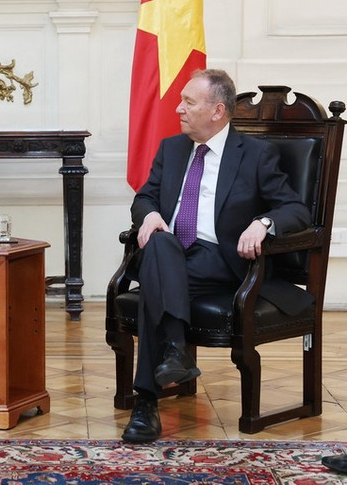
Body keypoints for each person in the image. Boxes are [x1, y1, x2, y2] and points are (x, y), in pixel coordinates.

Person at [121, 68, 311, 443]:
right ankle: (175, 352)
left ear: (218, 111)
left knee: (154, 282)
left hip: (219, 261)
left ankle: (146, 403)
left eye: (188, 102)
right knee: (160, 245)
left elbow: (295, 209)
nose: (178, 109)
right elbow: (144, 197)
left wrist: (264, 223)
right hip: (170, 252)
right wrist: (151, 214)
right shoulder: (172, 149)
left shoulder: (256, 154)